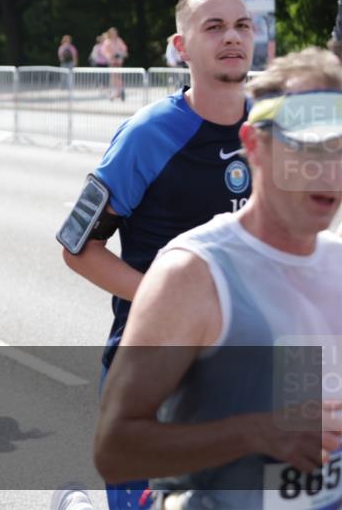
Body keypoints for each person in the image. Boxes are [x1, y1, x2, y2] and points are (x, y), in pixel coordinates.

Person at [94, 48, 342, 510]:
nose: (328, 169)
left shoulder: (334, 265)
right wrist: (256, 432)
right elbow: (115, 450)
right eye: (305, 145)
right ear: (254, 145)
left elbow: (305, 423)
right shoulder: (193, 274)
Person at [60, 0, 256, 510]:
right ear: (182, 45)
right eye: (213, 27)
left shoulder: (268, 129)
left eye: (241, 25)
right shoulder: (149, 135)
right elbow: (78, 247)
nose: (231, 37)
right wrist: (167, 300)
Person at [102, 27, 129, 101]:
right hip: (112, 61)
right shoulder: (107, 41)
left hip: (118, 61)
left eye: (115, 33)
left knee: (118, 76)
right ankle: (115, 92)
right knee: (113, 77)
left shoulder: (119, 40)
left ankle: (120, 91)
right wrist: (110, 56)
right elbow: (104, 51)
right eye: (112, 33)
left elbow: (124, 49)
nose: (114, 34)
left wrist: (120, 54)